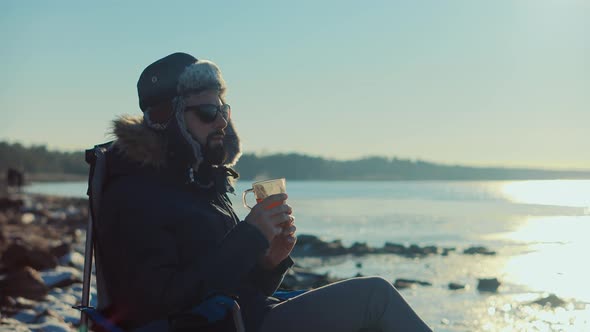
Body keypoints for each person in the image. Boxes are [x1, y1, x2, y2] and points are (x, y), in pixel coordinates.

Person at [96, 52, 433, 332]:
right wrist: (249, 236)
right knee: (374, 297)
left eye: (223, 110)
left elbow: (226, 287)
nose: (222, 122)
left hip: (245, 319)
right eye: (208, 112)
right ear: (164, 118)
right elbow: (157, 302)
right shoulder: (136, 194)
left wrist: (268, 263)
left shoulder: (196, 186)